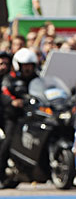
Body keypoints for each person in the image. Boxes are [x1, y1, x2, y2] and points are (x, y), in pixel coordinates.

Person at [0, 48, 39, 188]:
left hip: (32, 116)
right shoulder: (10, 79)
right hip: (13, 117)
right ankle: (1, 173)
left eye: (30, 65)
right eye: (25, 66)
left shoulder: (37, 78)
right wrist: (12, 101)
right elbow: (4, 93)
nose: (27, 69)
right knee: (8, 140)